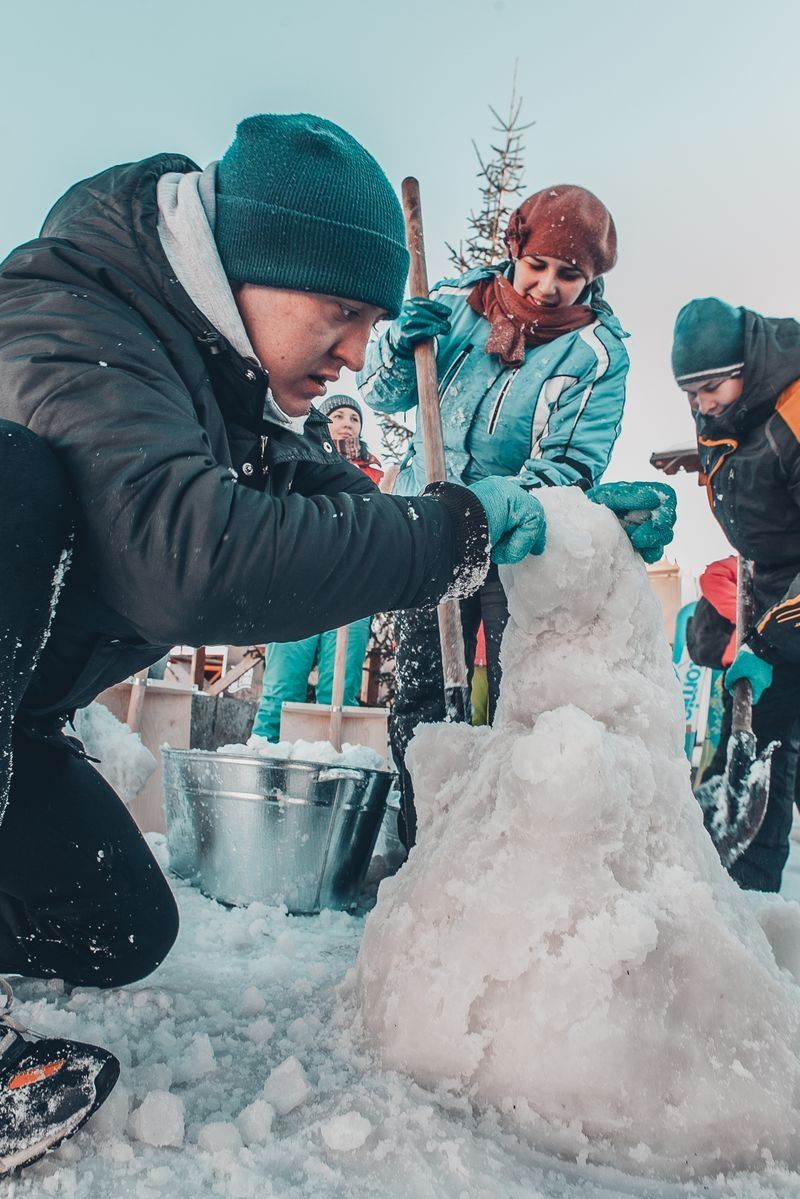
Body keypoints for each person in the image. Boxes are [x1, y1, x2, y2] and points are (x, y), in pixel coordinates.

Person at [0, 111, 551, 1162]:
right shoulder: (63, 317)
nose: (355, 353)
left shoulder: (218, 377)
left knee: (115, 926)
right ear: (241, 270)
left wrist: (498, 520)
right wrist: (449, 534)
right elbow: (188, 555)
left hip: (17, 725)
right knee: (7, 479)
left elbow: (330, 504)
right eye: (340, 312)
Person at [359, 183, 676, 845]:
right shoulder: (455, 305)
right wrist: (396, 344)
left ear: (593, 278)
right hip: (428, 522)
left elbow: (571, 461)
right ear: (515, 250)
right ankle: (423, 842)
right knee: (419, 691)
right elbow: (383, 393)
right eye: (538, 265)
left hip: (516, 541)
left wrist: (494, 508)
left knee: (514, 693)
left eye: (571, 274)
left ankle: (495, 850)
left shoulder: (597, 354)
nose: (549, 285)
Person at [672, 297, 800, 891]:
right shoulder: (725, 410)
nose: (701, 404)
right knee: (759, 737)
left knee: (777, 738)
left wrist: (771, 640)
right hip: (770, 578)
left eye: (710, 387)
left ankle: (753, 895)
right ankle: (739, 891)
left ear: (748, 364)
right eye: (689, 391)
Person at [251, 396, 381, 741]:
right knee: (281, 688)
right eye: (337, 415)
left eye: (354, 418)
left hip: (354, 594)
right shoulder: (297, 458)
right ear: (323, 422)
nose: (347, 422)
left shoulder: (377, 475)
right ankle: (264, 759)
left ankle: (331, 769)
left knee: (338, 694)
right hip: (299, 583)